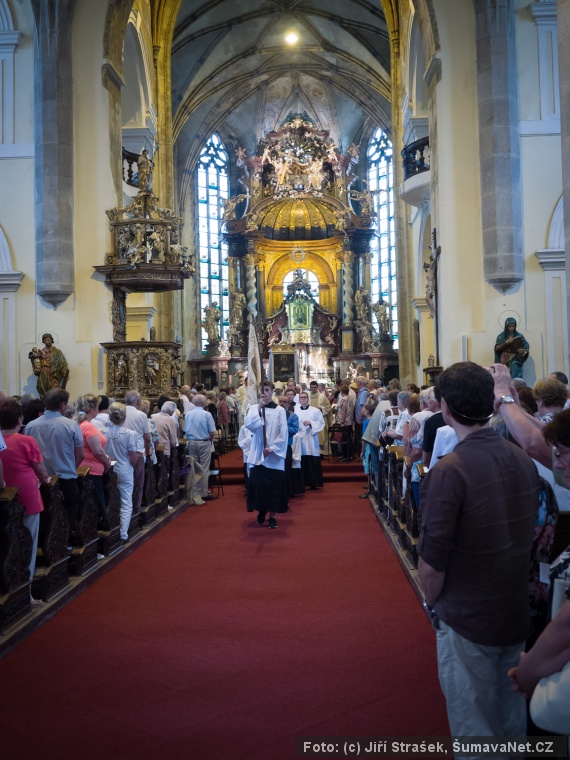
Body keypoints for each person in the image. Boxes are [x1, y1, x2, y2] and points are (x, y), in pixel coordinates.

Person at [418, 362, 541, 739]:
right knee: (510, 722)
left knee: (476, 730)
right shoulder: (522, 458)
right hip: (514, 610)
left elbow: (432, 563)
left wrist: (433, 605)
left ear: (445, 407)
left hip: (468, 617)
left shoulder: (449, 470)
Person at [0, 398, 51, 605]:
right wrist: (46, 480)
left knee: (6, 545)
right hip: (26, 497)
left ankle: (7, 588)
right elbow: (42, 472)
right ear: (20, 419)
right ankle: (25, 595)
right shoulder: (26, 441)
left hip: (4, 498)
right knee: (28, 543)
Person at [25, 389, 84, 549]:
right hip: (66, 477)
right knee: (70, 508)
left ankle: (45, 544)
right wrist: (71, 467)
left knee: (45, 514)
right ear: (63, 405)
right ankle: (64, 542)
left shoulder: (31, 426)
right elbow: (80, 454)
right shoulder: (71, 425)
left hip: (40, 480)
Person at [244, 381, 288, 528]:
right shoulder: (253, 409)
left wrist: (273, 448)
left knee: (274, 488)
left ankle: (273, 516)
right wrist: (259, 407)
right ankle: (261, 512)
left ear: (272, 392)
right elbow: (249, 425)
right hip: (258, 454)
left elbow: (284, 433)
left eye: (267, 390)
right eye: (262, 390)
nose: (264, 393)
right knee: (259, 486)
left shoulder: (279, 410)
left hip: (274, 456)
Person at [104, 403, 139, 542]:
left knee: (108, 500)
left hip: (108, 469)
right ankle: (123, 534)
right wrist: (133, 465)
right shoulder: (130, 433)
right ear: (124, 417)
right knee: (126, 502)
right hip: (124, 468)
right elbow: (133, 456)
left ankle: (109, 530)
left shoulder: (102, 432)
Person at [76, 394, 112, 527]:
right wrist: (106, 462)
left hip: (84, 468)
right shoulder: (87, 426)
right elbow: (97, 451)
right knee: (96, 504)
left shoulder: (80, 423)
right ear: (92, 410)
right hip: (91, 470)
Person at [123, 390, 151, 518]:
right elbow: (147, 437)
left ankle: (124, 510)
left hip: (121, 452)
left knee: (124, 483)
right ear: (138, 402)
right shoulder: (141, 415)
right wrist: (147, 451)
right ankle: (135, 510)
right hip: (137, 451)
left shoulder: (119, 412)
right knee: (138, 483)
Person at [184, 394, 216, 505]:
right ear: (204, 403)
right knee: (204, 468)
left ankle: (194, 492)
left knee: (194, 467)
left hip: (191, 442)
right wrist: (210, 441)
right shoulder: (207, 414)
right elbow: (212, 432)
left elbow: (185, 429)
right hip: (203, 441)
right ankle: (203, 492)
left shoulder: (188, 414)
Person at [295, 390, 325, 489]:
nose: (303, 399)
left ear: (308, 399)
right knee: (301, 459)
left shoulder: (315, 411)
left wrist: (311, 423)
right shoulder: (295, 411)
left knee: (312, 459)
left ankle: (314, 483)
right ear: (299, 400)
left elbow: (321, 423)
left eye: (305, 397)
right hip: (300, 438)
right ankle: (302, 483)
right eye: (301, 397)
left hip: (311, 438)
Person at [31, 333, 69, 399]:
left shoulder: (57, 352)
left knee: (55, 389)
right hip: (43, 373)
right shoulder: (40, 352)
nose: (47, 341)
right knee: (43, 389)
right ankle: (45, 402)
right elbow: (35, 363)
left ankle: (54, 403)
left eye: (48, 340)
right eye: (45, 340)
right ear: (43, 342)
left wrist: (65, 371)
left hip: (53, 373)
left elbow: (63, 362)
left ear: (51, 340)